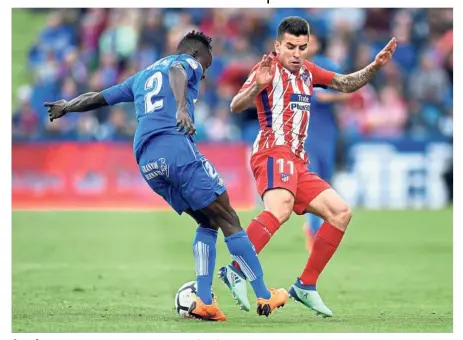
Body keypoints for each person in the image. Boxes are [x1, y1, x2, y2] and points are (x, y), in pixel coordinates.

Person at [44, 30, 288, 321]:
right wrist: (182, 108)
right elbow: (176, 69)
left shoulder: (140, 78)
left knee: (207, 220)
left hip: (147, 161)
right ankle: (264, 294)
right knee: (229, 217)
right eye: (206, 66)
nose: (204, 74)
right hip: (174, 146)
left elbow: (99, 97)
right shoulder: (187, 62)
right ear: (196, 55)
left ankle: (205, 301)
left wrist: (67, 106)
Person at [218, 17, 396, 317]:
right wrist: (255, 88)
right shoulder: (268, 68)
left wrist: (375, 66)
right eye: (290, 47)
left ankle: (306, 286)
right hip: (273, 150)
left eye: (302, 47)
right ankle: (236, 270)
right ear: (278, 45)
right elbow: (235, 105)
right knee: (280, 209)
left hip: (298, 160)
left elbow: (345, 83)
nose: (297, 53)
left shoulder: (308, 72)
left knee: (340, 213)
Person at [302, 32, 349, 251]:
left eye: (310, 41)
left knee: (326, 180)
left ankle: (317, 226)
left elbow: (347, 90)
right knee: (313, 180)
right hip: (304, 132)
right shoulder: (293, 66)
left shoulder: (326, 66)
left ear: (317, 44)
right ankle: (313, 230)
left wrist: (327, 97)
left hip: (326, 131)